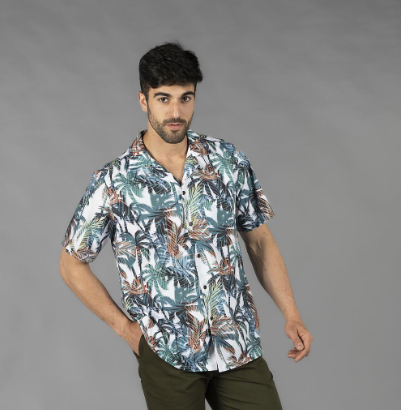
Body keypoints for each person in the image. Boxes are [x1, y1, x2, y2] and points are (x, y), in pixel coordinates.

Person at [60, 40, 312, 410]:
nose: (175, 111)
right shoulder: (114, 181)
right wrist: (127, 330)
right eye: (163, 99)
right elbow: (71, 263)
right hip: (167, 353)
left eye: (185, 98)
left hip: (236, 343)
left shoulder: (227, 160)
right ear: (144, 100)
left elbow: (259, 241)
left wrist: (291, 315)